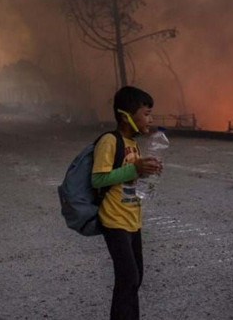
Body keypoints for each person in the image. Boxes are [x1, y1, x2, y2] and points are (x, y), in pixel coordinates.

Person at [91, 86, 162, 320]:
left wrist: (147, 171)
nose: (150, 119)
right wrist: (135, 168)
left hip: (133, 220)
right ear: (126, 116)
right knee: (128, 278)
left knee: (135, 278)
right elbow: (98, 178)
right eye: (146, 113)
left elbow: (130, 175)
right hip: (114, 220)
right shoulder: (110, 141)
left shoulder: (133, 143)